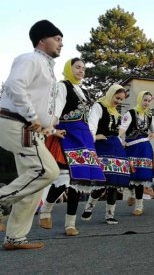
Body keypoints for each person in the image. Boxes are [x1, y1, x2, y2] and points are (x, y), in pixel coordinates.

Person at [0, 20, 63, 250]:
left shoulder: (45, 66)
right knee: (47, 171)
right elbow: (16, 85)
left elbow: (39, 100)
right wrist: (32, 116)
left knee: (32, 182)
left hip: (28, 128)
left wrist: (48, 126)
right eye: (57, 39)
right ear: (42, 40)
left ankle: (15, 237)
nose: (61, 44)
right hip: (18, 124)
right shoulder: (30, 58)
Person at [38, 58, 105, 236]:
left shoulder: (83, 91)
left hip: (83, 137)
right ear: (69, 68)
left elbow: (88, 117)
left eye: (83, 68)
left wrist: (91, 138)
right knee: (64, 180)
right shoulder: (62, 86)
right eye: (77, 67)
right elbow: (57, 110)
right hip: (67, 134)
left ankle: (70, 224)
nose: (81, 70)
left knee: (80, 182)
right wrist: (51, 129)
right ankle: (46, 209)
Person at [81, 84, 131, 224]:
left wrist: (122, 142)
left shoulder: (116, 112)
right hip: (102, 146)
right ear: (110, 94)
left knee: (115, 183)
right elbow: (91, 125)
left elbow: (116, 130)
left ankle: (110, 214)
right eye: (117, 98)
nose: (119, 101)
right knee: (102, 182)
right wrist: (95, 137)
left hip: (115, 146)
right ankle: (89, 207)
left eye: (121, 99)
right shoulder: (98, 106)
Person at [119, 91, 154, 216]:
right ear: (140, 99)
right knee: (129, 174)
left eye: (149, 100)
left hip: (144, 148)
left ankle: (139, 205)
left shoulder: (149, 116)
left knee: (141, 176)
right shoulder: (130, 114)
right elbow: (122, 128)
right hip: (130, 147)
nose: (147, 103)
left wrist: (153, 133)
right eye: (145, 100)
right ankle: (132, 194)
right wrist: (118, 140)